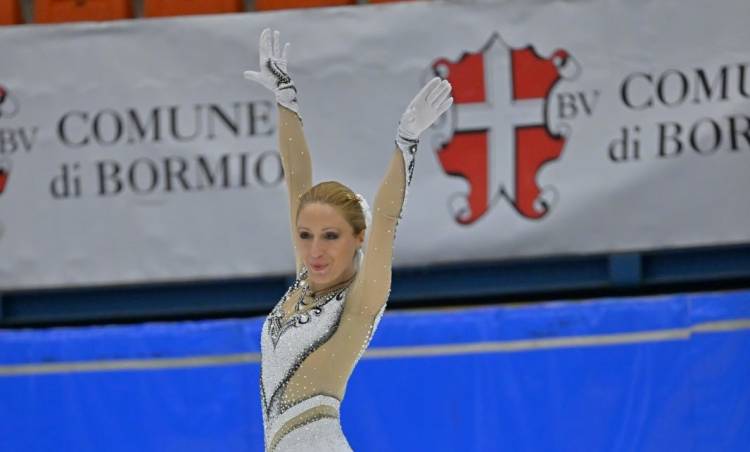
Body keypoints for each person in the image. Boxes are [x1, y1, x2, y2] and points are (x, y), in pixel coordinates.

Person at [243, 28, 452, 452]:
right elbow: (296, 174)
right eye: (305, 236)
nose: (314, 250)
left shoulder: (360, 301)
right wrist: (285, 98)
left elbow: (388, 217)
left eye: (330, 237)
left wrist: (406, 142)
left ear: (358, 238)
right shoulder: (304, 279)